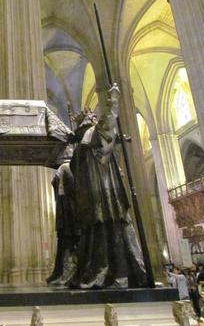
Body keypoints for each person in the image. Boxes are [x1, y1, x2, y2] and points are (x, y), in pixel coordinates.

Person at [68, 84, 146, 289]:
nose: (95, 121)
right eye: (92, 120)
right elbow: (106, 126)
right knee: (107, 235)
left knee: (99, 235)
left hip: (96, 201)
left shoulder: (80, 149)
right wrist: (113, 101)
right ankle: (112, 274)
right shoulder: (91, 139)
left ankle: (102, 273)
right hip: (104, 197)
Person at [46, 147, 79, 286]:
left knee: (67, 243)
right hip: (73, 211)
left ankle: (66, 274)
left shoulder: (64, 168)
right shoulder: (72, 168)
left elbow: (57, 185)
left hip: (67, 211)